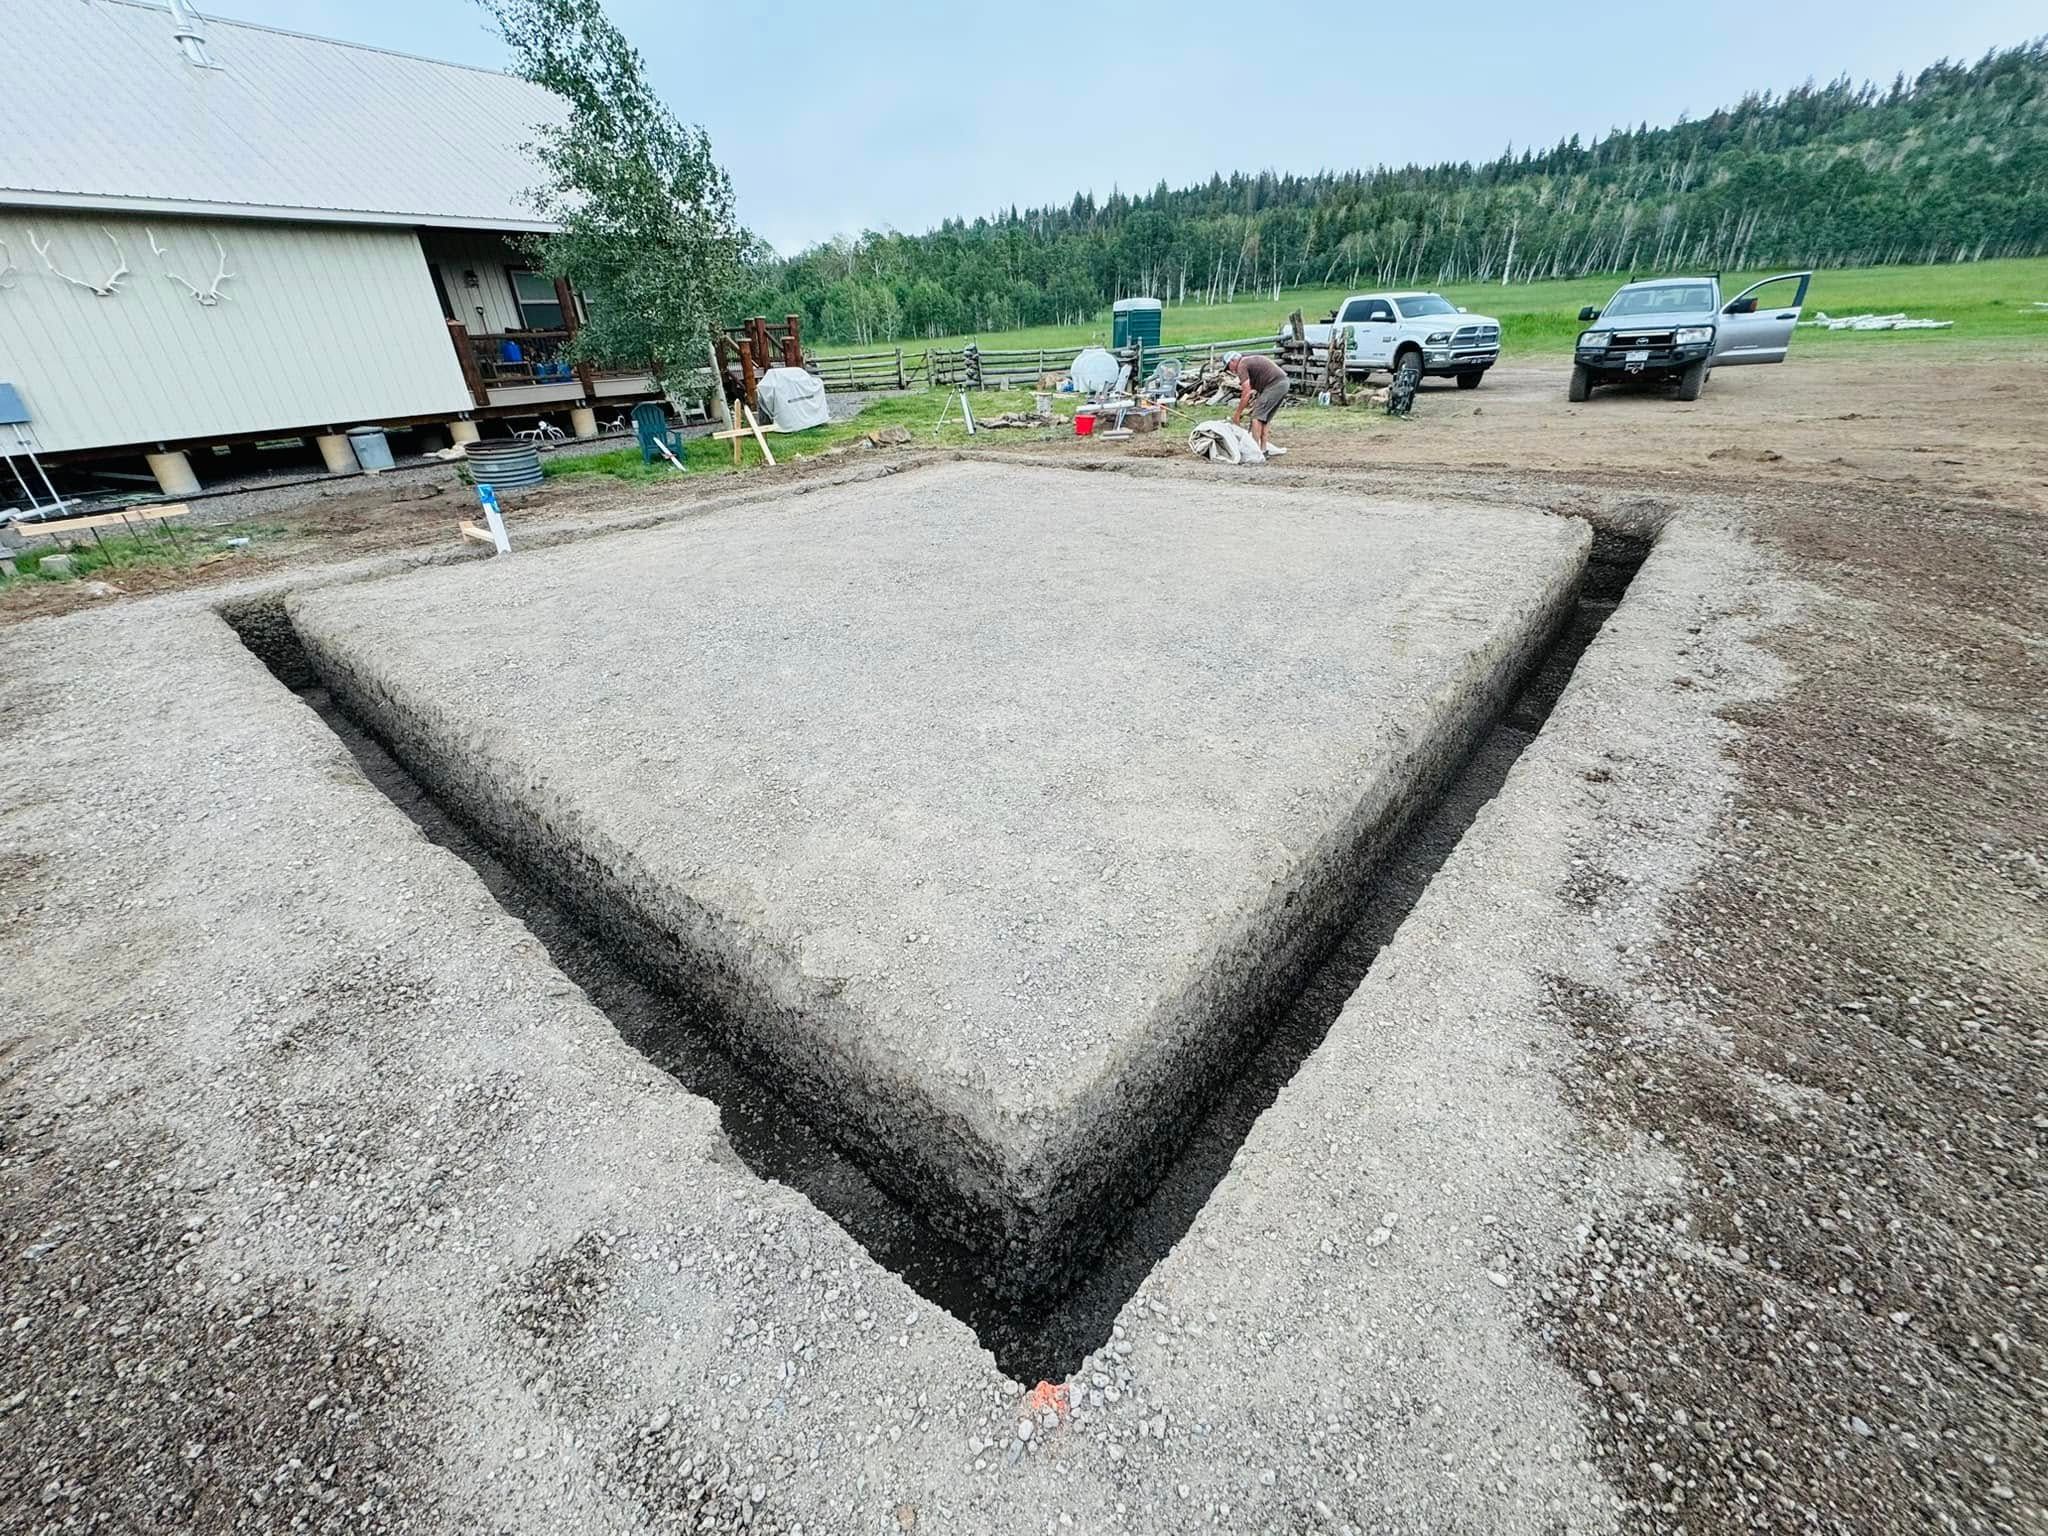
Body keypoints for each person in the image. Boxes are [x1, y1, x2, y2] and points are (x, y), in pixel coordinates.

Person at [1224, 352, 1288, 456]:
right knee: (1264, 418)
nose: (1230, 370)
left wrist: (1237, 414)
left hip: (1275, 385)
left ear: (1233, 361)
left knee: (1256, 417)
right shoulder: (1248, 361)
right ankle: (1263, 449)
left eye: (1228, 366)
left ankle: (1254, 451)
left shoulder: (1242, 365)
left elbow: (1246, 392)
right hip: (1283, 383)